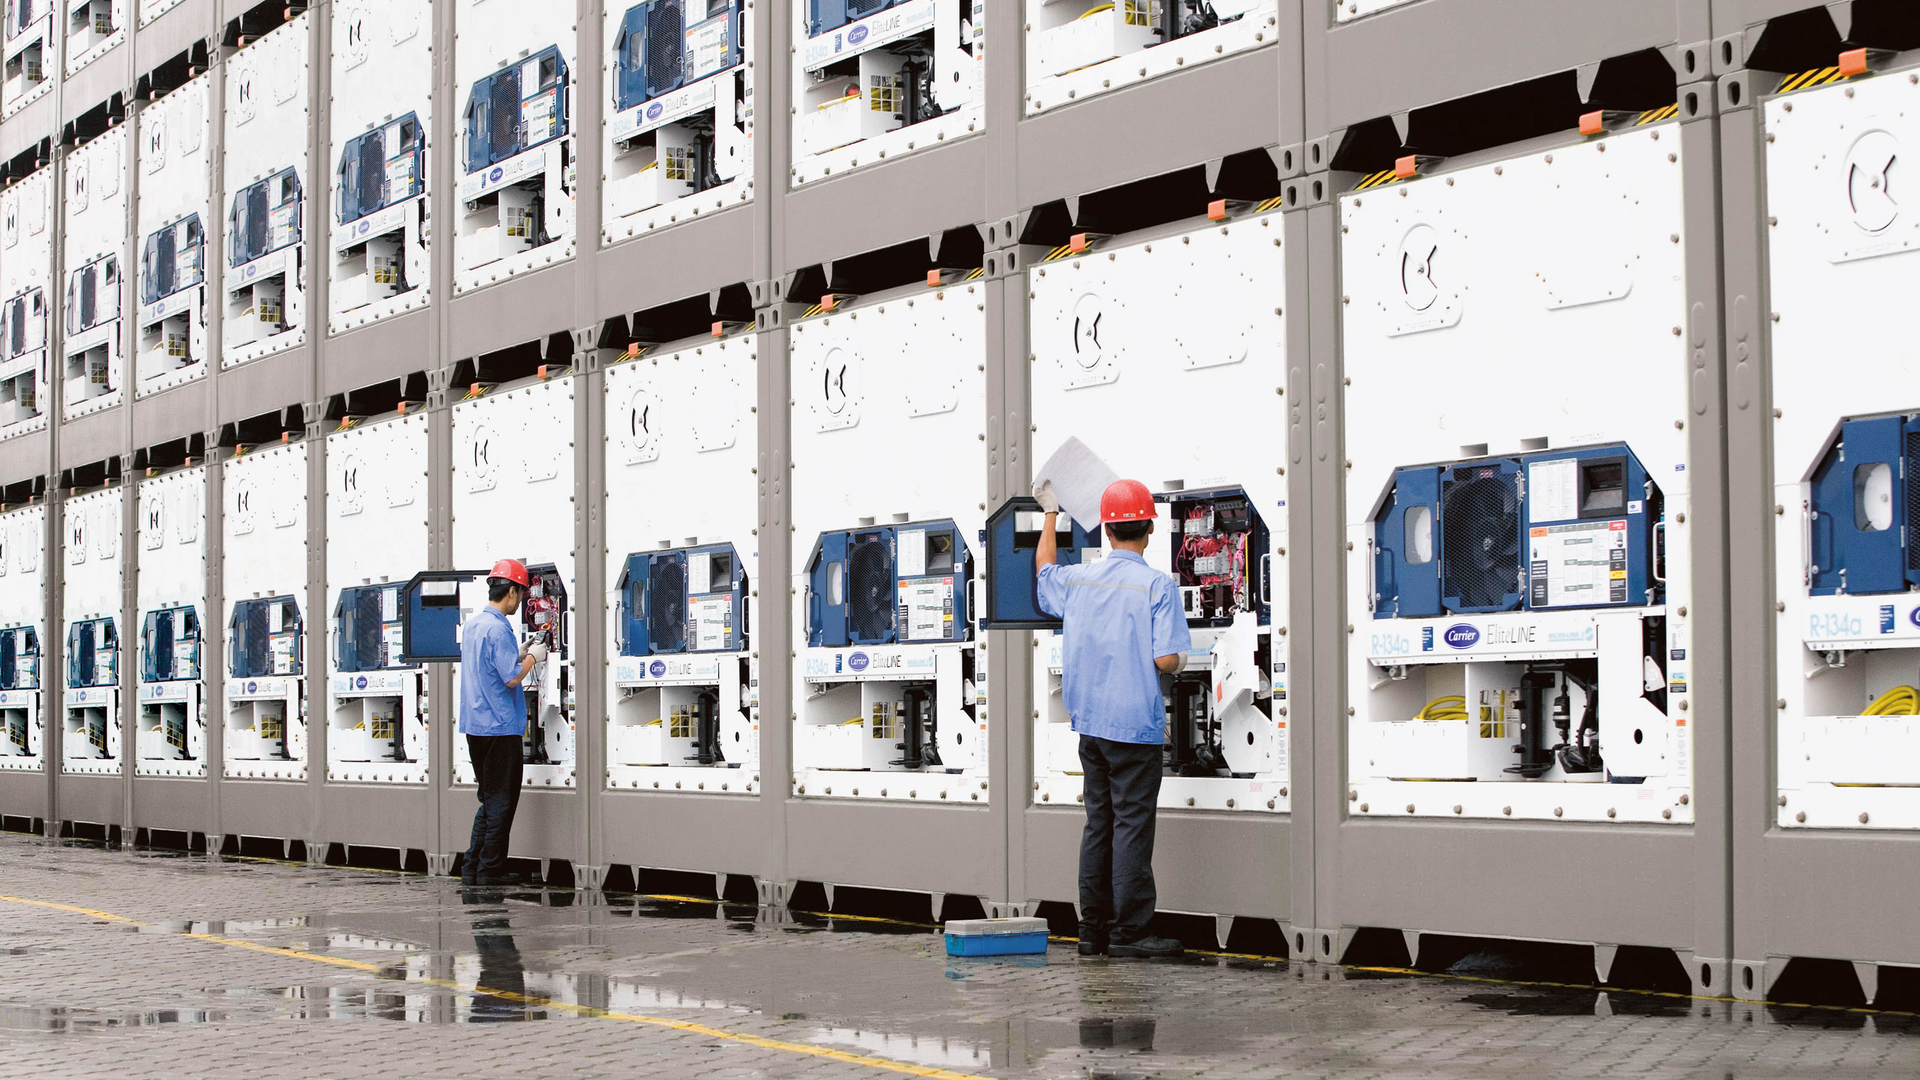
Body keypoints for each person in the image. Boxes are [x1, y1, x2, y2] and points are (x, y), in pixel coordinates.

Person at [1034, 477, 1192, 958]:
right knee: (1131, 828)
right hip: (1134, 729)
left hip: (1091, 727)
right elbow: (1166, 660)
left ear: (1105, 532)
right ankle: (1131, 934)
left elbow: (1043, 571)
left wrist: (1051, 516)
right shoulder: (1157, 585)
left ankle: (1092, 932)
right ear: (1148, 531)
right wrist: (1182, 660)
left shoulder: (1077, 581)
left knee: (1098, 825)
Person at [459, 558, 547, 887]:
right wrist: (532, 658)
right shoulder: (499, 628)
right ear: (510, 592)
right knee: (502, 803)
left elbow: (491, 666)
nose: (520, 602)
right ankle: (491, 871)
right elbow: (511, 676)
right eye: (520, 596)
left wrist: (520, 651)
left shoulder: (474, 625)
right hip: (500, 727)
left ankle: (475, 868)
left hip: (476, 727)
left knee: (489, 799)